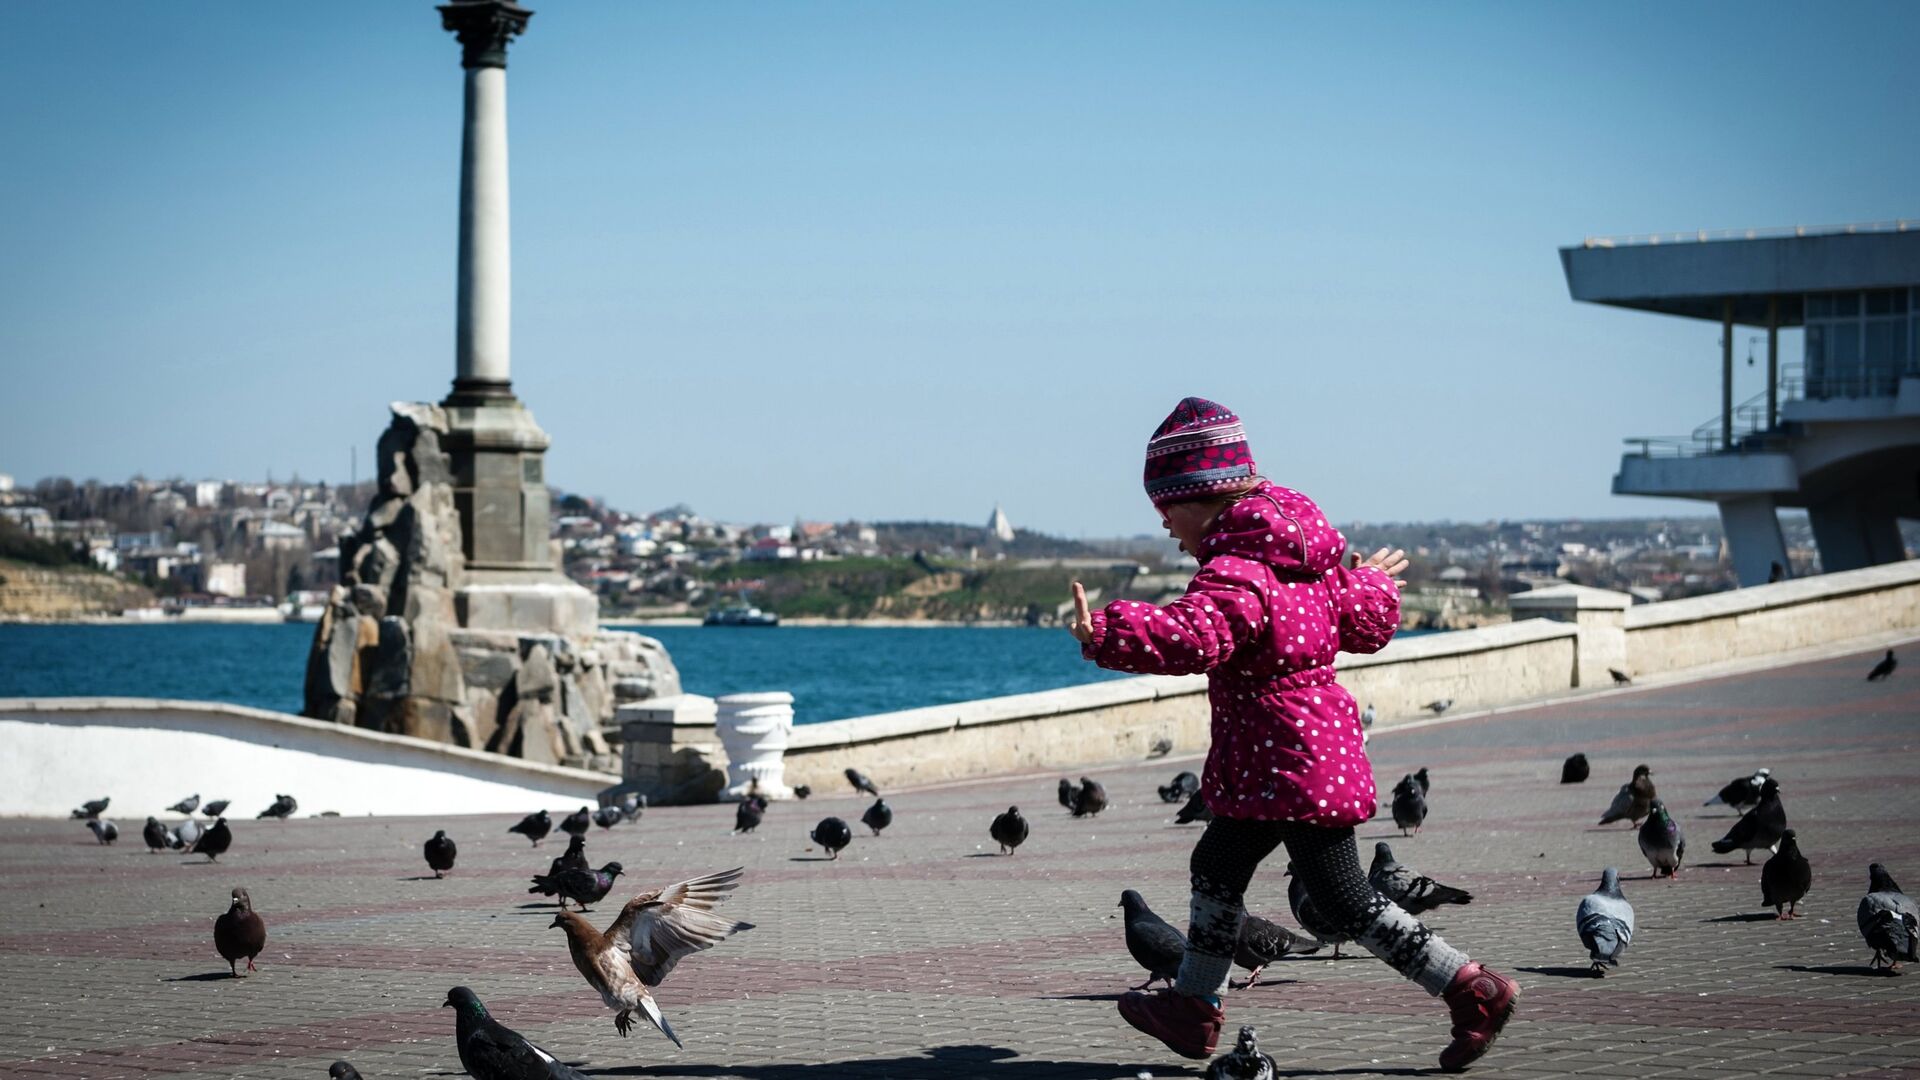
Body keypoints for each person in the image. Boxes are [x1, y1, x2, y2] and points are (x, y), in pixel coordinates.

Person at [1069, 397, 1517, 1072]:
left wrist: (1105, 633)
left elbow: (1196, 635)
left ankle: (1471, 988)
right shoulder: (1304, 562)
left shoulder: (1241, 572)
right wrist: (1369, 582)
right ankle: (1195, 1008)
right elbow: (1365, 622)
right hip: (1291, 760)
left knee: (1342, 898)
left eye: (1168, 508)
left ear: (1208, 498)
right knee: (1218, 866)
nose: (1164, 526)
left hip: (1288, 764)